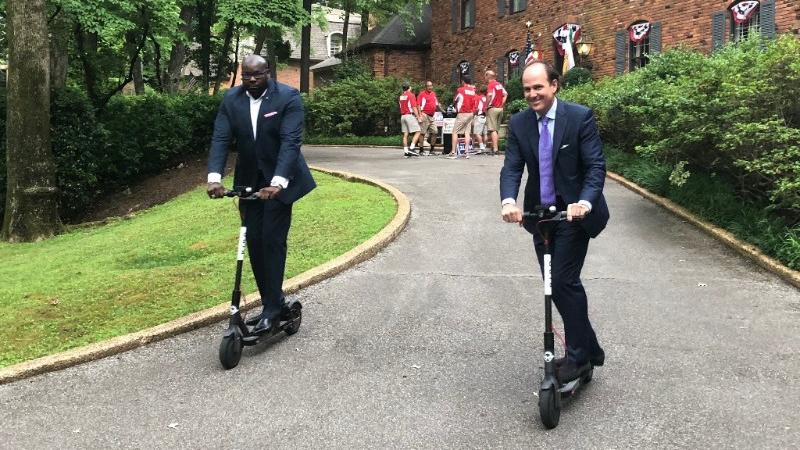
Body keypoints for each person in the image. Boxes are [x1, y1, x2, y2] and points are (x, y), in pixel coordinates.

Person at [499, 61, 609, 383]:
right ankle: (589, 350)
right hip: (540, 216)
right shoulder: (520, 123)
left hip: (573, 215)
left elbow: (595, 167)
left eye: (538, 87)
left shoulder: (578, 117)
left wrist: (585, 202)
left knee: (562, 282)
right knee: (554, 286)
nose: (533, 94)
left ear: (554, 85)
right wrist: (508, 201)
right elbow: (512, 167)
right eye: (527, 89)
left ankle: (577, 359)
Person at [207, 55, 316, 333]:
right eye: (246, 75)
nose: (251, 80)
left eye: (257, 75)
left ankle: (271, 309)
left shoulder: (287, 97)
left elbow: (291, 142)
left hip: (281, 178)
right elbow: (221, 137)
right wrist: (214, 178)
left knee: (272, 239)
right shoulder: (232, 99)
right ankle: (274, 301)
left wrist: (278, 182)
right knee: (253, 240)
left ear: (268, 72)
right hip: (249, 181)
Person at [450, 75, 476, 159]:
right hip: (470, 113)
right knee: (467, 133)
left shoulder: (460, 90)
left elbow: (455, 99)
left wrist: (455, 106)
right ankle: (467, 152)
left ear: (463, 81)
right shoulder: (472, 91)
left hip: (462, 113)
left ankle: (453, 152)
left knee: (455, 132)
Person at [417, 80, 444, 155]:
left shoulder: (433, 94)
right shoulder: (422, 94)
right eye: (428, 86)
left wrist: (443, 111)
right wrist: (420, 115)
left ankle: (432, 150)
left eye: (431, 86)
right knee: (422, 133)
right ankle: (421, 150)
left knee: (435, 132)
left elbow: (437, 104)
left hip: (432, 116)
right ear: (425, 87)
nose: (430, 87)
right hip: (424, 115)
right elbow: (418, 105)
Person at [485, 70, 508, 156]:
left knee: (492, 129)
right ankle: (494, 147)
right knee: (496, 130)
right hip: (500, 109)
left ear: (488, 76)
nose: (485, 77)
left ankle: (495, 149)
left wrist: (486, 106)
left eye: (485, 75)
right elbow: (505, 94)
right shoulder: (499, 85)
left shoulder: (491, 84)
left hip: (493, 108)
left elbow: (489, 95)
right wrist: (502, 103)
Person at [399, 81, 423, 157]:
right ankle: (412, 148)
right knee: (418, 131)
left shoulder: (401, 96)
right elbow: (413, 107)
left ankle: (406, 151)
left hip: (402, 116)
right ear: (409, 87)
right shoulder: (411, 95)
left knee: (405, 134)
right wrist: (418, 117)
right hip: (409, 115)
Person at [471, 86, 488, 154]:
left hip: (480, 116)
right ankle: (484, 146)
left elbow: (477, 108)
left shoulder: (479, 98)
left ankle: (481, 147)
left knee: (477, 133)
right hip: (486, 117)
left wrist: (474, 114)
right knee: (485, 133)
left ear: (480, 91)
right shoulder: (487, 98)